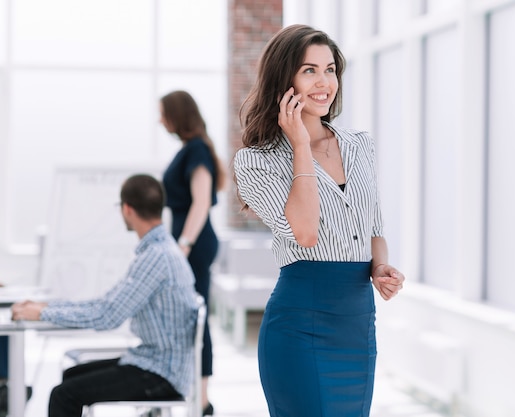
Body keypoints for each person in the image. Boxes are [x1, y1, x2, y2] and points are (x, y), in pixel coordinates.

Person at [233, 24, 406, 417]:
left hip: (356, 323)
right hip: (299, 325)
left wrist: (380, 268)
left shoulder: (360, 145)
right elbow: (306, 233)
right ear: (285, 78)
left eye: (330, 69)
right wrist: (299, 145)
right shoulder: (256, 161)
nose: (324, 82)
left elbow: (373, 225)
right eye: (309, 70)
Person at [10, 174, 199, 417]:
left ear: (127, 209)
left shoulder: (156, 258)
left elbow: (107, 316)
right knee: (71, 377)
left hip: (161, 373)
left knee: (63, 394)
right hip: (158, 361)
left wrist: (44, 313)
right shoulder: (160, 250)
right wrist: (45, 306)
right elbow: (107, 302)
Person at [159, 90, 227, 416]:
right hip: (187, 241)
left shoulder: (197, 149)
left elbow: (201, 202)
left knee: (196, 318)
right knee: (186, 316)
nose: (159, 119)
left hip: (194, 244)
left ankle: (202, 402)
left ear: (177, 115)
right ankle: (190, 393)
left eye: (163, 113)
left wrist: (183, 245)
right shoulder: (190, 149)